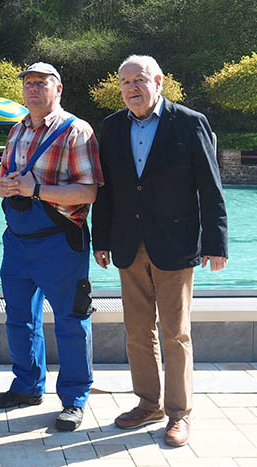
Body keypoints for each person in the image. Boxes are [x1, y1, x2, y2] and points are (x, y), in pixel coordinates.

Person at [92, 55, 228, 445]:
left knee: (176, 334)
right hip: (128, 246)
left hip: (176, 244)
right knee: (137, 332)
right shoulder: (112, 126)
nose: (132, 88)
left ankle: (179, 413)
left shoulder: (189, 122)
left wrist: (215, 244)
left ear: (159, 81)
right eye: (125, 82)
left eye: (139, 80)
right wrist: (100, 240)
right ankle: (147, 403)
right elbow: (107, 190)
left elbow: (211, 190)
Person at [0, 62, 103, 432]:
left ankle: (74, 398)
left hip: (60, 244)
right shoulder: (17, 130)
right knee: (20, 320)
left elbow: (88, 192)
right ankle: (27, 386)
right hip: (18, 242)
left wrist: (34, 190)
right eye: (28, 83)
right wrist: (4, 187)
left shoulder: (76, 131)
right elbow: (7, 180)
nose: (33, 88)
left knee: (71, 321)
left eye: (41, 83)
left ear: (58, 89)